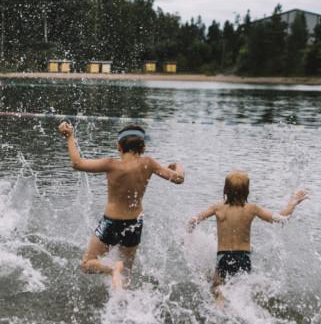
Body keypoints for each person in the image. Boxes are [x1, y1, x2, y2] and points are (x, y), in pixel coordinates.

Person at [57, 121, 185, 289]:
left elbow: (77, 164)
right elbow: (178, 179)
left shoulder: (111, 165)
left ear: (119, 147)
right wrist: (178, 165)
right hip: (135, 223)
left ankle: (111, 269)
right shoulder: (149, 163)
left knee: (87, 263)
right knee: (127, 274)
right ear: (143, 148)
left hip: (112, 222)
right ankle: (124, 304)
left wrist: (69, 137)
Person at [187, 171, 307, 301]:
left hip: (224, 256)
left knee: (217, 288)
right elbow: (280, 219)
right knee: (241, 291)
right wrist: (293, 203)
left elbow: (193, 221)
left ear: (225, 190)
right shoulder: (252, 208)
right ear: (247, 192)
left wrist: (188, 236)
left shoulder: (218, 208)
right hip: (244, 257)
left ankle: (220, 308)